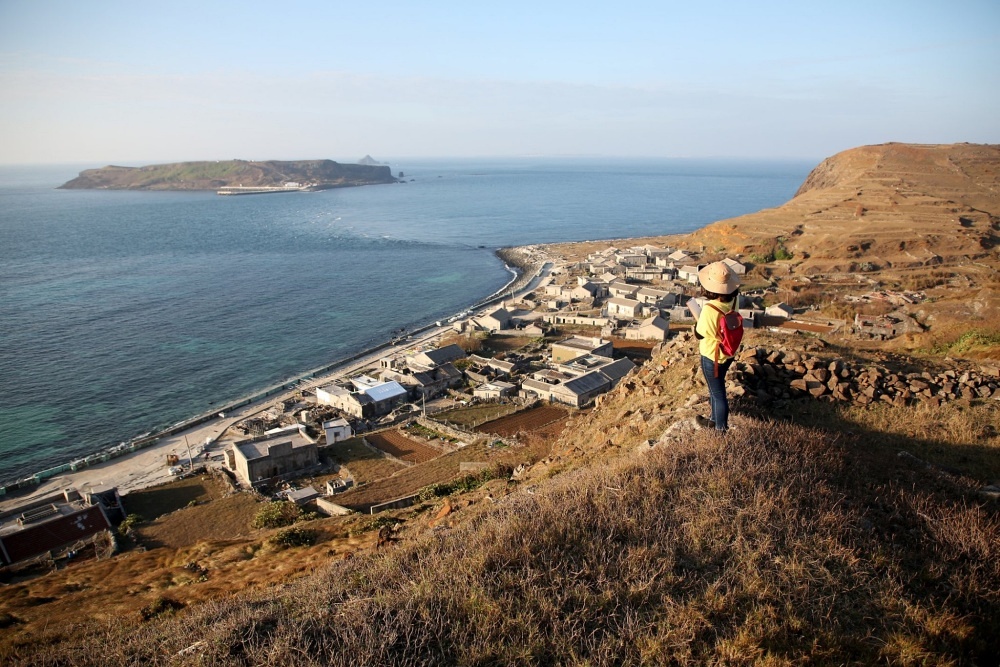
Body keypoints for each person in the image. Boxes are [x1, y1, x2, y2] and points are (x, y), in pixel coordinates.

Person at [693, 261, 742, 432]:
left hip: (712, 355)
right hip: (728, 353)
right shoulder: (734, 300)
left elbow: (699, 334)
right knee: (716, 389)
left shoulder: (710, 309)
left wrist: (697, 320)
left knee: (718, 393)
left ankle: (720, 430)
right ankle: (713, 420)